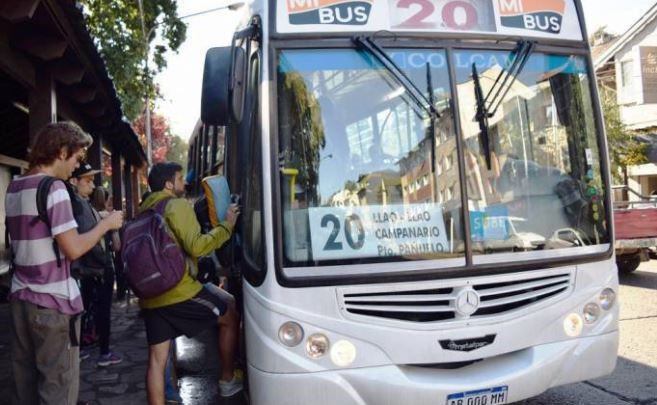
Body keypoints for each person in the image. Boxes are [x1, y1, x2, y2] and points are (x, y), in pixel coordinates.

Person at [5, 122, 123, 405]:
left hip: (20, 300)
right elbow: (73, 249)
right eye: (77, 157)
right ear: (61, 151)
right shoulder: (55, 188)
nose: (76, 166)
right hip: (52, 304)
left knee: (26, 387)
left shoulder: (14, 186)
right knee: (58, 388)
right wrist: (106, 225)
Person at [138, 162, 241, 404]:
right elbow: (197, 245)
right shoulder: (176, 205)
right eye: (180, 178)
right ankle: (227, 380)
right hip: (178, 290)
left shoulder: (144, 208)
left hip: (151, 295)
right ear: (168, 184)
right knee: (229, 315)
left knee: (156, 360)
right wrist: (227, 226)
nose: (185, 182)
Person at [87, 185, 123, 366]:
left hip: (85, 269)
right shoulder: (107, 220)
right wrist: (114, 228)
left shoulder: (86, 216)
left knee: (86, 308)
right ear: (106, 201)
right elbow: (117, 246)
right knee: (104, 312)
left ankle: (82, 347)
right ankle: (104, 352)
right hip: (104, 269)